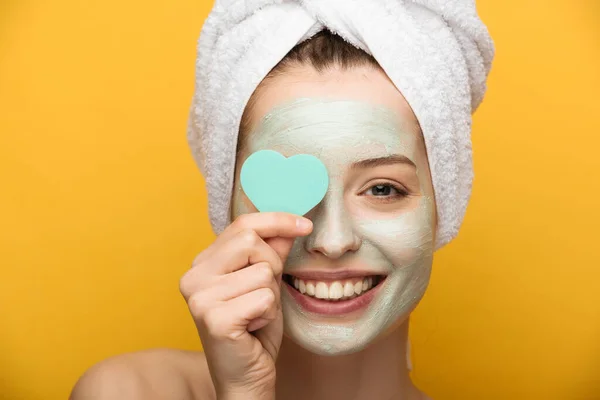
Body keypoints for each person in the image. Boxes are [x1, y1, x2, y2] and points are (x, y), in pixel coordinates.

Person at [70, 1, 494, 399]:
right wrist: (244, 392)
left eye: (382, 189)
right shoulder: (130, 391)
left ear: (444, 206)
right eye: (281, 189)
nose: (331, 240)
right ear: (227, 204)